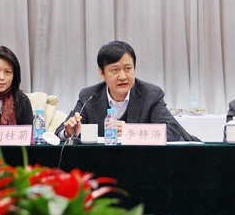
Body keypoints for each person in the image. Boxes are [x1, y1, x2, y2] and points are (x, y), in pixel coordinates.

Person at [56, 41, 184, 141]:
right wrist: (69, 132)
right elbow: (60, 131)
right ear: (102, 73)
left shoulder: (151, 94)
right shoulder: (89, 96)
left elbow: (172, 131)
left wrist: (131, 131)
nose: (123, 76)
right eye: (115, 70)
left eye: (128, 68)